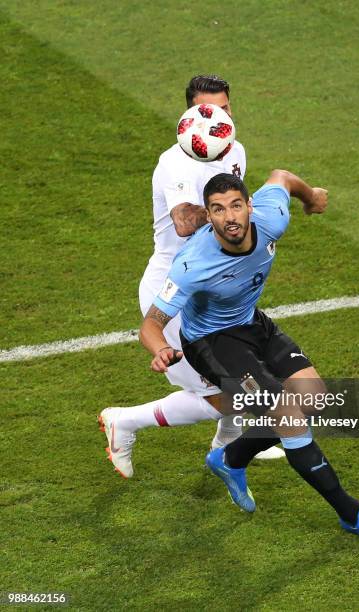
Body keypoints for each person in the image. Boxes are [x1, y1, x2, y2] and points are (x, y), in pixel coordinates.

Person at [139, 170, 359, 544]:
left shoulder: (272, 218)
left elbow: (280, 177)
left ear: (250, 206)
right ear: (208, 214)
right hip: (211, 343)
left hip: (252, 324)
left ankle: (231, 458)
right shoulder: (191, 264)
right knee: (288, 418)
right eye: (217, 210)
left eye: (236, 206)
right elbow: (151, 323)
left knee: (312, 399)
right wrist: (161, 349)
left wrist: (310, 196)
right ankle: (352, 514)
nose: (229, 217)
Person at [99, 75, 283, 479]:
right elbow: (183, 222)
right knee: (224, 394)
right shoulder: (175, 164)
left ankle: (227, 452)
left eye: (225, 111)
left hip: (216, 286)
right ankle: (125, 421)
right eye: (208, 113)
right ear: (188, 119)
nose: (219, 123)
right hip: (175, 288)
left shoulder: (235, 150)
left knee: (235, 383)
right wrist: (224, 212)